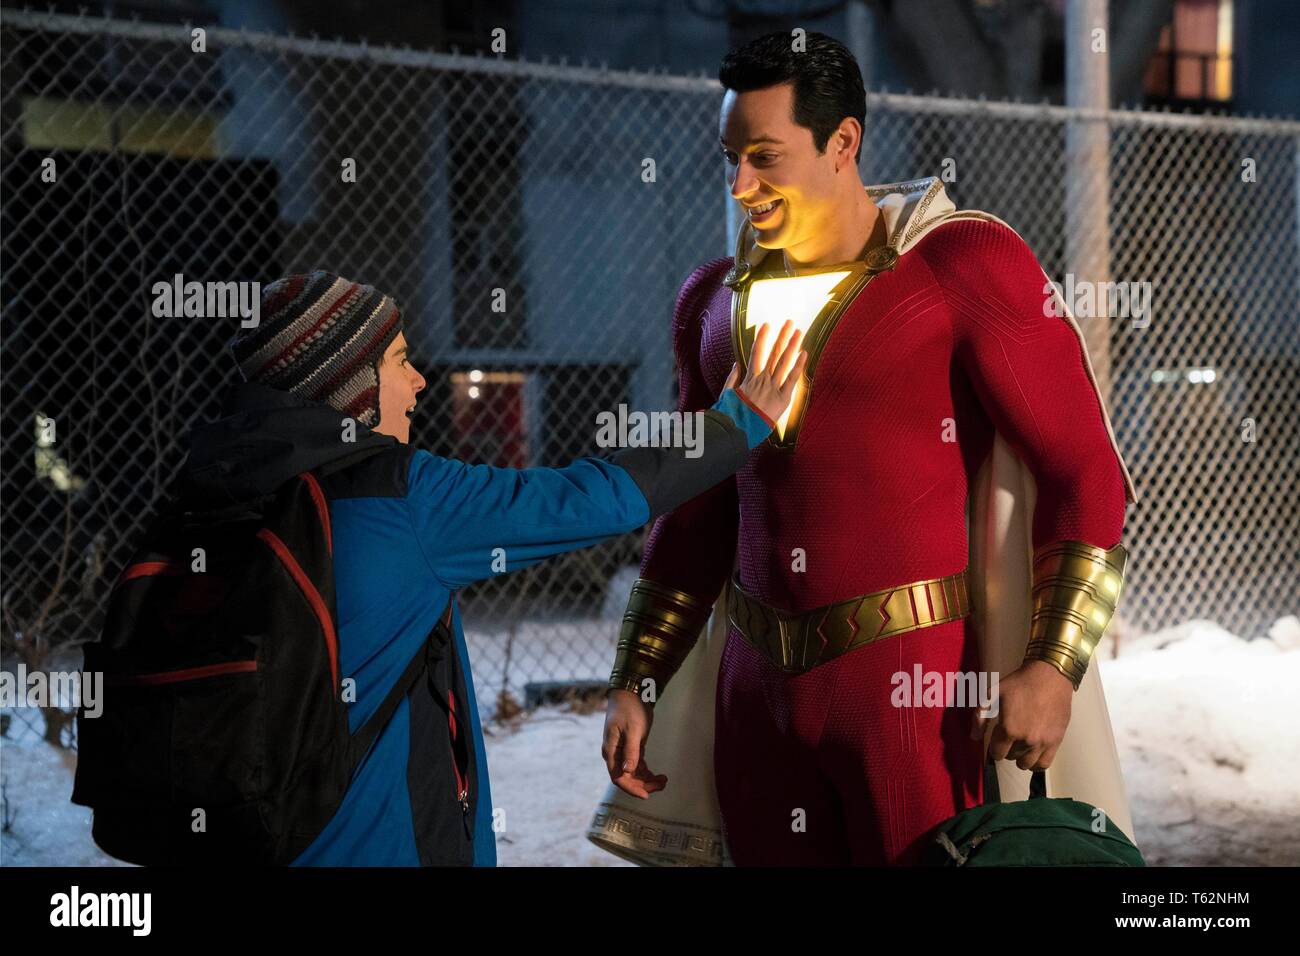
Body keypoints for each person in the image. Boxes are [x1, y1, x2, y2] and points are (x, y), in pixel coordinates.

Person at [594, 31, 1139, 866]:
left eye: (765, 157)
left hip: (913, 696)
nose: (741, 186)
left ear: (842, 142)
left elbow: (1085, 473)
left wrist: (1052, 665)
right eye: (730, 157)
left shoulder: (966, 264)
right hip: (753, 696)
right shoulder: (710, 301)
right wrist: (639, 678)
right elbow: (696, 515)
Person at [176, 269, 806, 865]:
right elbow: (582, 499)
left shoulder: (204, 495)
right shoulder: (401, 499)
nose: (419, 381)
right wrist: (736, 426)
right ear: (350, 382)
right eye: (398, 361)